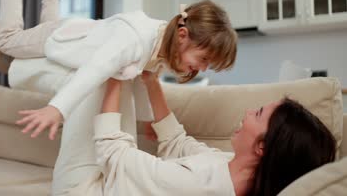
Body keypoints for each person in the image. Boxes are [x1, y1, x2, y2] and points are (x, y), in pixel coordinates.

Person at [0, 0, 237, 195]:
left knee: (38, 34)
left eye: (209, 66)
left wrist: (148, 120)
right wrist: (57, 109)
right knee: (8, 42)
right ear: (183, 37)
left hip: (71, 42)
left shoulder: (162, 46)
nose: (202, 69)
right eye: (204, 60)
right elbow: (94, 72)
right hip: (62, 37)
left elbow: (142, 79)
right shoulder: (134, 39)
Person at [68, 73, 336, 196]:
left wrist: (113, 75)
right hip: (107, 173)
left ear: (263, 147)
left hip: (85, 188)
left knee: (88, 84)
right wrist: (151, 82)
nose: (247, 112)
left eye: (257, 114)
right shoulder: (232, 170)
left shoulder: (200, 186)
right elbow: (177, 142)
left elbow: (114, 154)